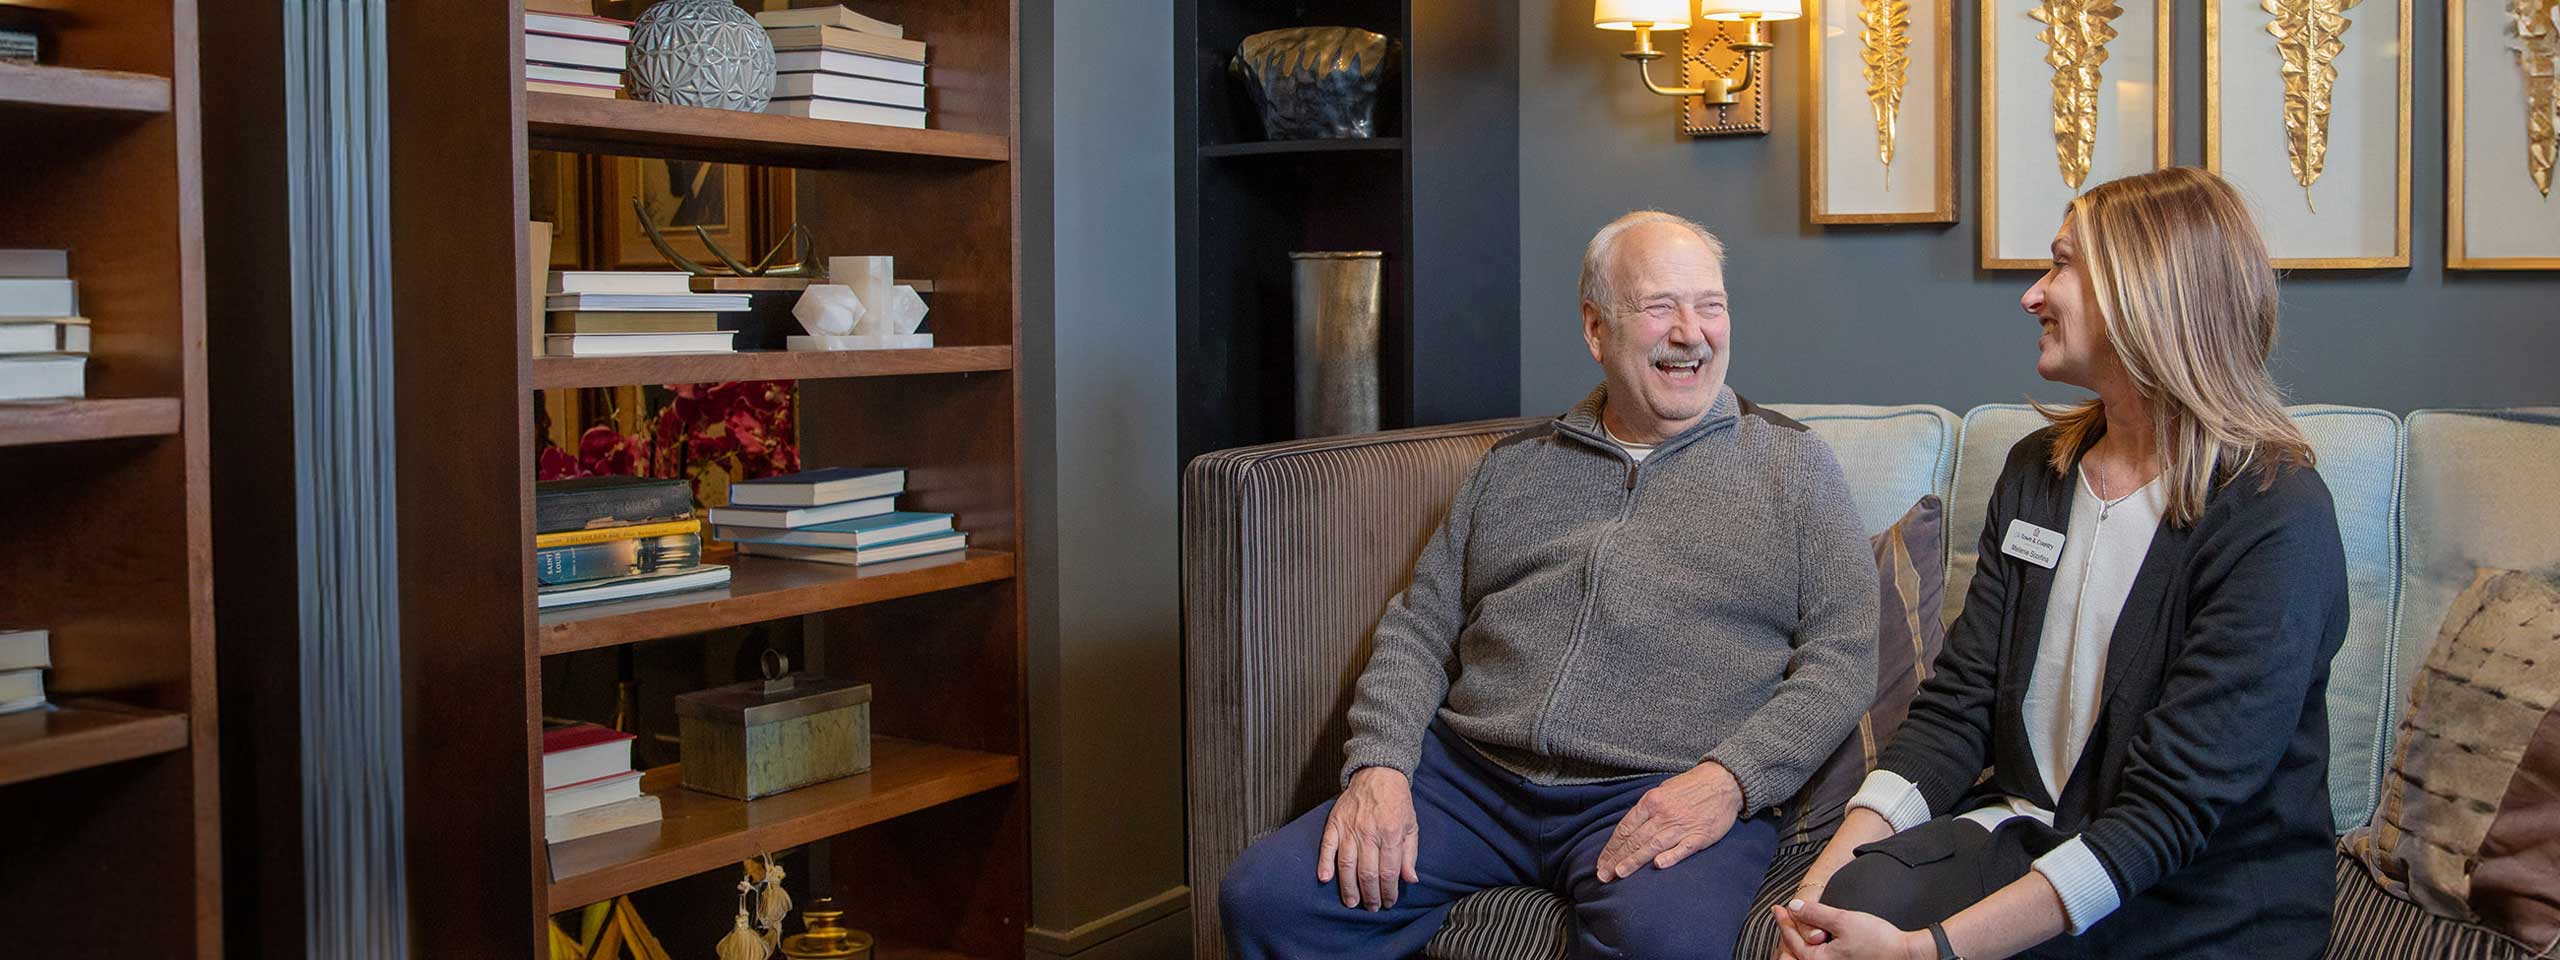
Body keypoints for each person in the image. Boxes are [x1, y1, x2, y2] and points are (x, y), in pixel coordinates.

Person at [1216, 211, 1881, 959]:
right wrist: (1379, 764)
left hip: (1658, 787)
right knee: (1266, 896)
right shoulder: (1515, 466)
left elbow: (1844, 658)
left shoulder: (1794, 468)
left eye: (1711, 305)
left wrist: (1730, 780)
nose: (1692, 331)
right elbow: (1419, 628)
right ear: (1596, 330)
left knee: (1664, 939)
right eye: (1660, 306)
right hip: (1470, 781)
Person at [1771, 167, 2350, 960]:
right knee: (1855, 905)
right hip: (2029, 835)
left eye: (2062, 264)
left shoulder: (2277, 515)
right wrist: (1821, 887)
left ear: (2145, 290)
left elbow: (2169, 815)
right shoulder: (2038, 473)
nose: (2032, 295)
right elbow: (1959, 708)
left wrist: (1930, 952)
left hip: (2194, 889)